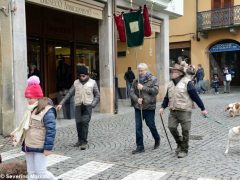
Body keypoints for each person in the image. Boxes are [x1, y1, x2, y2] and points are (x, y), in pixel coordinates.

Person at [11, 76, 57, 180]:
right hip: (29, 145)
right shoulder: (30, 109)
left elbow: (51, 131)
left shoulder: (47, 110)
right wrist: (16, 133)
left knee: (41, 172)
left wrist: (48, 148)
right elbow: (24, 126)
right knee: (31, 172)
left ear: (37, 97)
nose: (28, 100)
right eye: (27, 97)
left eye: (30, 97)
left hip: (40, 146)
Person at [159, 64, 208, 158]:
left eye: (173, 72)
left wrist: (203, 109)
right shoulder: (170, 83)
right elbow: (166, 98)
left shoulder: (187, 83)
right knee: (171, 127)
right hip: (173, 111)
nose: (171, 73)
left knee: (185, 130)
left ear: (179, 73)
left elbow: (195, 97)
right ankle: (179, 143)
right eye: (172, 72)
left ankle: (184, 150)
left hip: (185, 111)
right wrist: (162, 107)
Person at [56, 65, 100, 150]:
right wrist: (61, 103)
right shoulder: (76, 83)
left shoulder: (93, 82)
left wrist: (93, 104)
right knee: (78, 124)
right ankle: (79, 140)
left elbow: (97, 95)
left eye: (83, 76)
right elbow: (69, 94)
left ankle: (84, 142)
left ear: (87, 75)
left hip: (88, 106)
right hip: (78, 106)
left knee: (84, 123)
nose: (82, 77)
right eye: (80, 76)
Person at [130, 63, 160, 154]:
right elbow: (131, 92)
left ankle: (157, 138)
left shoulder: (153, 79)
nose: (140, 72)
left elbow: (155, 91)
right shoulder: (135, 81)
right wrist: (136, 99)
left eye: (142, 70)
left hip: (149, 106)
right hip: (138, 107)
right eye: (139, 70)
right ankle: (140, 146)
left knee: (150, 125)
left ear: (146, 70)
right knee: (138, 127)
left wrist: (143, 87)